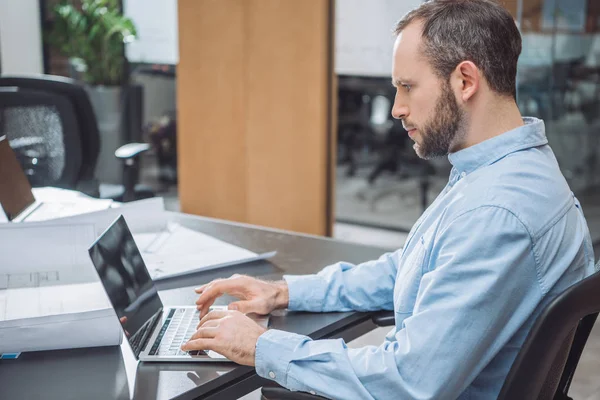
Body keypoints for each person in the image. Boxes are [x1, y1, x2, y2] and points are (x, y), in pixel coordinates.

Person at [181, 1, 597, 398]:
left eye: (407, 87)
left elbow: (408, 383)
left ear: (465, 81)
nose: (397, 108)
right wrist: (286, 292)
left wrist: (262, 347)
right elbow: (414, 267)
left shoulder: (496, 212)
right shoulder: (510, 169)